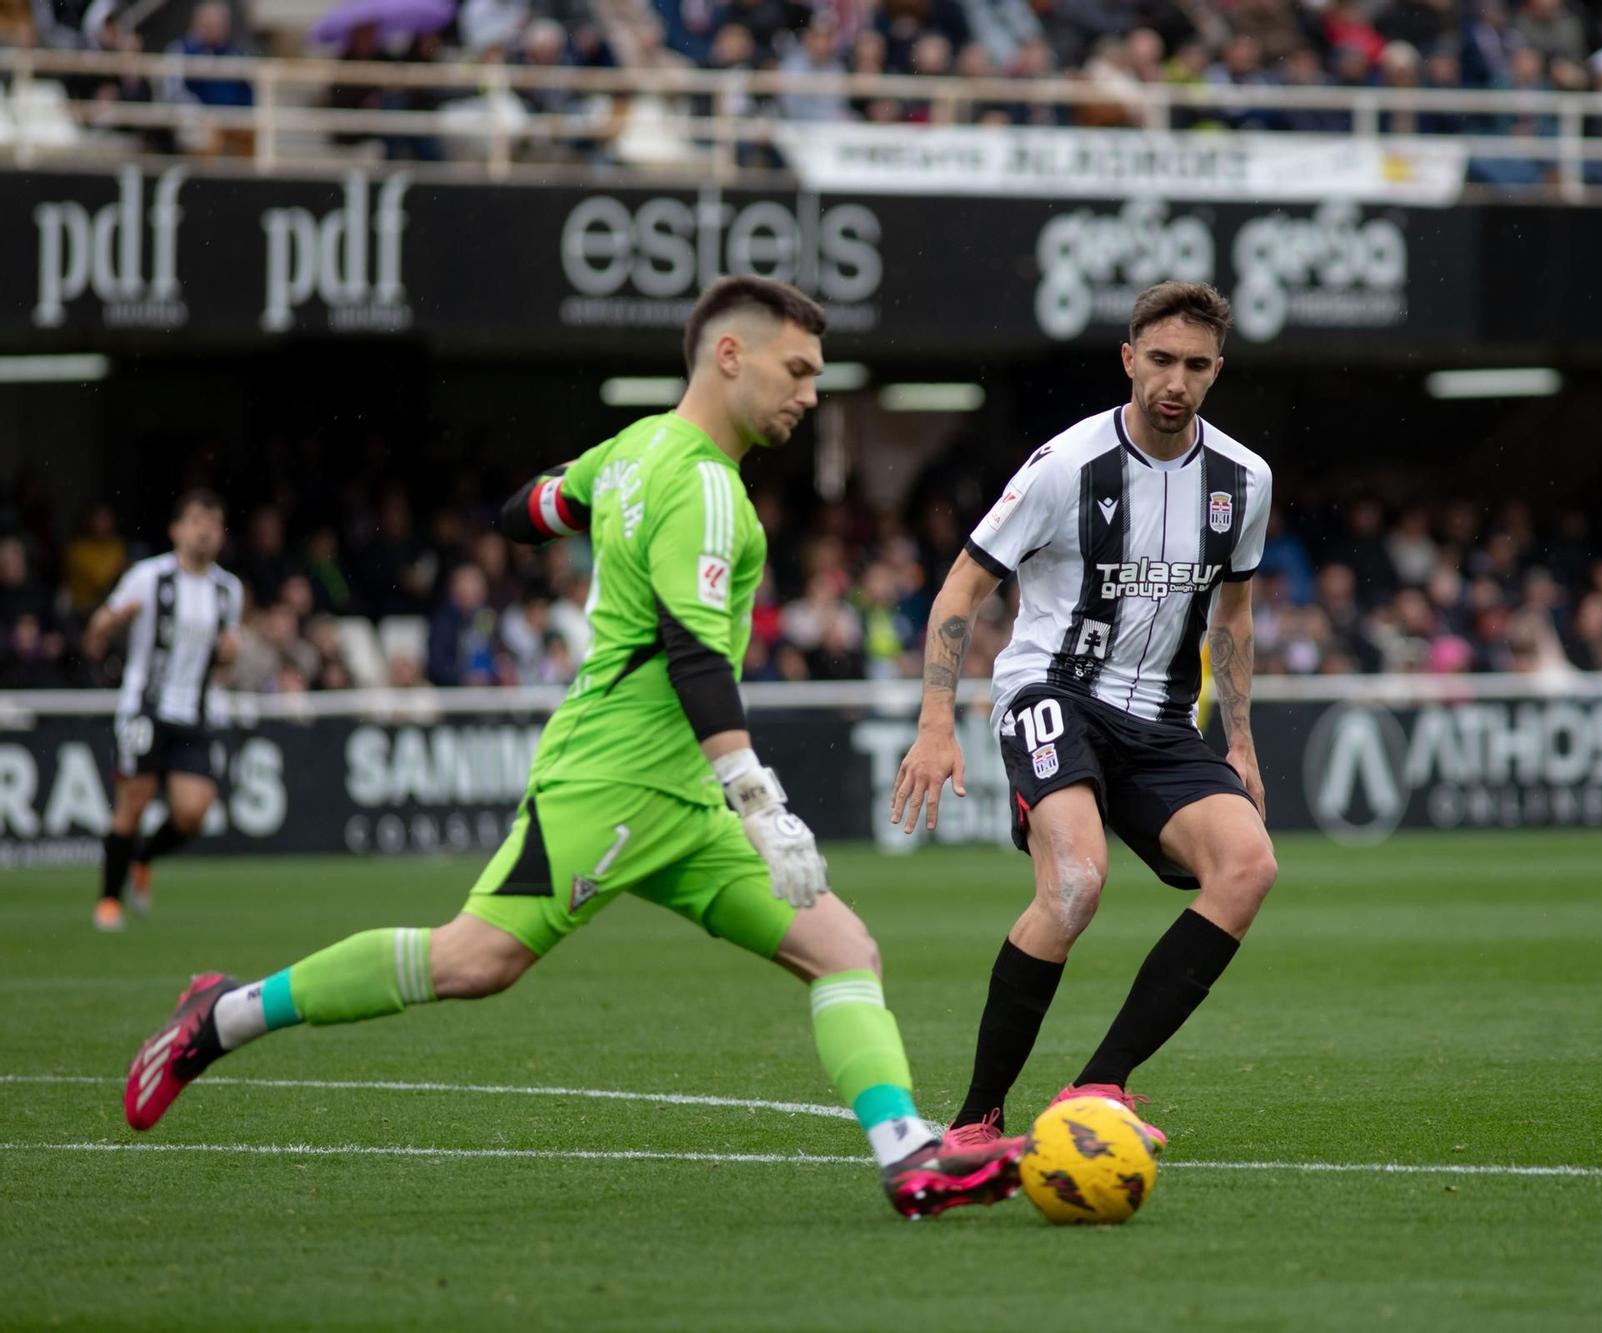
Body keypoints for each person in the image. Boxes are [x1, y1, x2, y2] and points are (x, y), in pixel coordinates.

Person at [119, 277, 1025, 1221]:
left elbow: (523, 511)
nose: (809, 392)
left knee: (843, 947)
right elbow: (689, 653)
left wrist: (587, 506)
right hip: (611, 780)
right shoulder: (707, 486)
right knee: (472, 961)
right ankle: (220, 1014)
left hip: (678, 790)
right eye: (796, 369)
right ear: (730, 356)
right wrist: (757, 794)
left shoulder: (634, 451)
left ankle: (907, 1154)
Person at [893, 281, 1279, 1150]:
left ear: (1217, 370)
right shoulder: (1066, 465)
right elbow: (964, 583)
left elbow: (1235, 615)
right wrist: (934, 721)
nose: (1175, 381)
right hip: (1053, 693)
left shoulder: (1244, 480)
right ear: (1129, 360)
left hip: (1165, 720)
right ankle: (975, 1120)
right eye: (1161, 360)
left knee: (1249, 866)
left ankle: (1101, 1083)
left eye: (1196, 364)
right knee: (1076, 883)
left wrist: (1242, 741)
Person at [82, 491, 243, 932]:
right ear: (176, 531)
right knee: (130, 806)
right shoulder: (147, 577)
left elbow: (224, 660)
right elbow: (94, 635)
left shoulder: (229, 590)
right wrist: (109, 623)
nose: (204, 530)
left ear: (222, 535)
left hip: (196, 713)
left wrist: (230, 654)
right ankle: (109, 901)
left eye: (213, 522)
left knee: (193, 813)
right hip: (144, 709)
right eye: (196, 520)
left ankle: (143, 859)